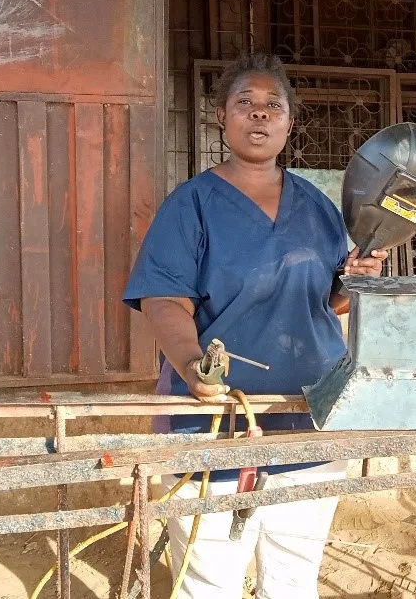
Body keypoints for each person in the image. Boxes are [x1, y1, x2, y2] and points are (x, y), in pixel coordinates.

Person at [122, 53, 387, 599]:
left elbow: (327, 301)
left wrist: (355, 282)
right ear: (221, 116)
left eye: (273, 105)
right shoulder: (191, 205)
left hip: (310, 413)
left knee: (292, 577)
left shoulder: (317, 206)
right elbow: (164, 299)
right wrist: (193, 367)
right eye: (245, 102)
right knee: (209, 578)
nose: (259, 114)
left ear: (290, 122)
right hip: (213, 421)